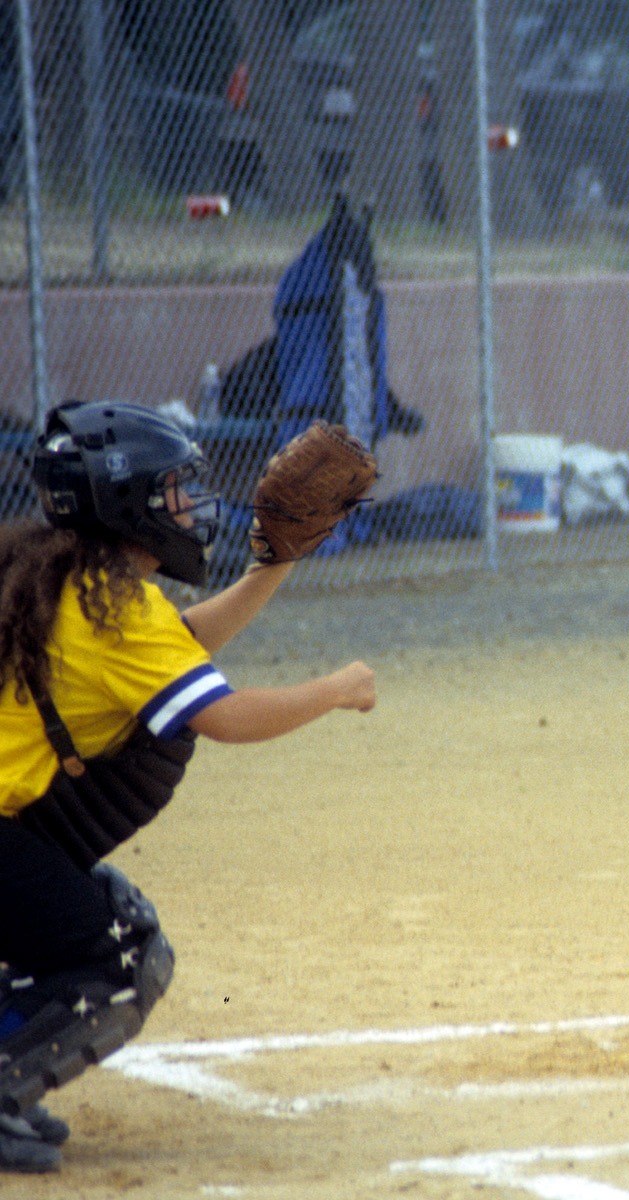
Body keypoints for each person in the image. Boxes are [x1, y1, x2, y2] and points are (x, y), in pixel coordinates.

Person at [0, 401, 377, 1173]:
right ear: (125, 501)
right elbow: (222, 715)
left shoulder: (66, 579)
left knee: (103, 918)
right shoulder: (112, 607)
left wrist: (272, 565)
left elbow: (178, 647)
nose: (189, 507)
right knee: (121, 953)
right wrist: (336, 689)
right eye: (172, 491)